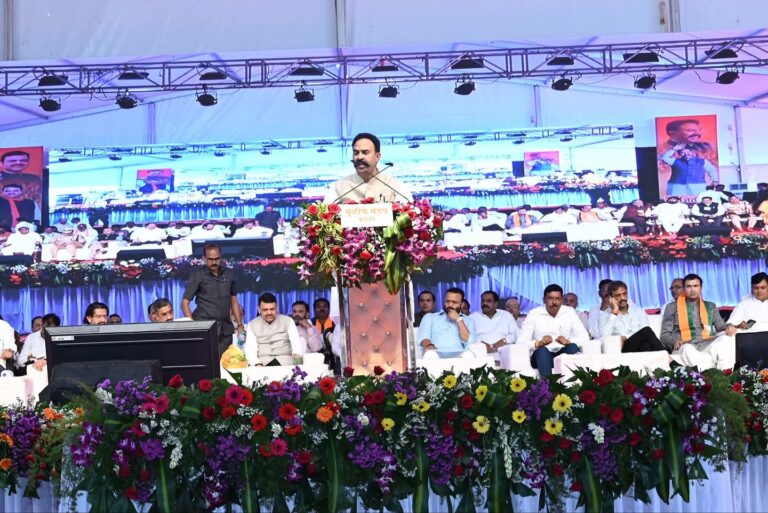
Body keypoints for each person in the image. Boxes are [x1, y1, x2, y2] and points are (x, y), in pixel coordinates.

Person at [181, 243, 244, 356]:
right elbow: (184, 303)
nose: (214, 262)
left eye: (217, 259)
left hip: (225, 329)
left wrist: (240, 325)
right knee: (206, 362)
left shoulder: (229, 274)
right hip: (205, 328)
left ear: (221, 257)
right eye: (210, 259)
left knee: (224, 362)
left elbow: (234, 300)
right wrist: (193, 327)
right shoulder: (198, 275)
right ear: (204, 258)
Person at [660, 273, 730, 369]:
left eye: (695, 286)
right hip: (685, 345)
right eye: (689, 286)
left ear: (701, 287)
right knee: (687, 349)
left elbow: (720, 326)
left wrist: (730, 327)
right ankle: (708, 374)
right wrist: (675, 341)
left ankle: (725, 372)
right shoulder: (672, 307)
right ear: (684, 289)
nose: (692, 290)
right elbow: (664, 335)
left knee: (726, 339)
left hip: (707, 343)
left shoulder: (710, 306)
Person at [518, 284, 589, 376]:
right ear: (544, 300)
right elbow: (520, 341)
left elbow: (584, 336)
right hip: (540, 356)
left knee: (572, 347)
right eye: (550, 298)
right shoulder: (534, 314)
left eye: (557, 299)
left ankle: (572, 384)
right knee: (542, 351)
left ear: (562, 300)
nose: (554, 302)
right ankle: (547, 385)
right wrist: (538, 343)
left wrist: (568, 341)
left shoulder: (569, 312)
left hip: (562, 352)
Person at [324, 133, 413, 204]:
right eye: (356, 153)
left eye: (365, 152)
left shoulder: (396, 186)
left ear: (377, 156)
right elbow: (324, 217)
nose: (359, 157)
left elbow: (410, 216)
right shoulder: (337, 187)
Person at [598, 281, 665, 353]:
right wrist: (614, 312)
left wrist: (630, 337)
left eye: (624, 294)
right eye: (618, 295)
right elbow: (604, 337)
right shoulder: (604, 315)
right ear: (611, 298)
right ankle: (667, 355)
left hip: (639, 345)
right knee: (646, 330)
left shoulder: (638, 311)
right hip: (623, 347)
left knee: (645, 346)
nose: (622, 298)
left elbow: (647, 336)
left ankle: (665, 356)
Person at [243, 293, 304, 366]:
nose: (269, 313)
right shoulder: (252, 324)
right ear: (259, 309)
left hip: (286, 363)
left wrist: (297, 360)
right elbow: (250, 349)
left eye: (272, 309)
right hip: (262, 364)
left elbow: (296, 343)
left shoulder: (288, 321)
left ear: (277, 308)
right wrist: (256, 363)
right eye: (265, 310)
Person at [418, 287, 476, 355]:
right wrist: (429, 346)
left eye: (454, 302)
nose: (450, 305)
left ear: (462, 304)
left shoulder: (469, 320)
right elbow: (424, 338)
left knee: (469, 354)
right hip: (435, 353)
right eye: (447, 301)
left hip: (460, 355)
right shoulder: (430, 317)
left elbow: (469, 342)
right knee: (429, 354)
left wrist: (458, 319)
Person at [312, 298, 338, 371]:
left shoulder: (335, 323)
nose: (322, 308)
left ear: (329, 309)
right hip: (315, 358)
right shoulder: (310, 324)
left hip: (333, 358)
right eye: (318, 306)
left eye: (324, 306)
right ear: (314, 310)